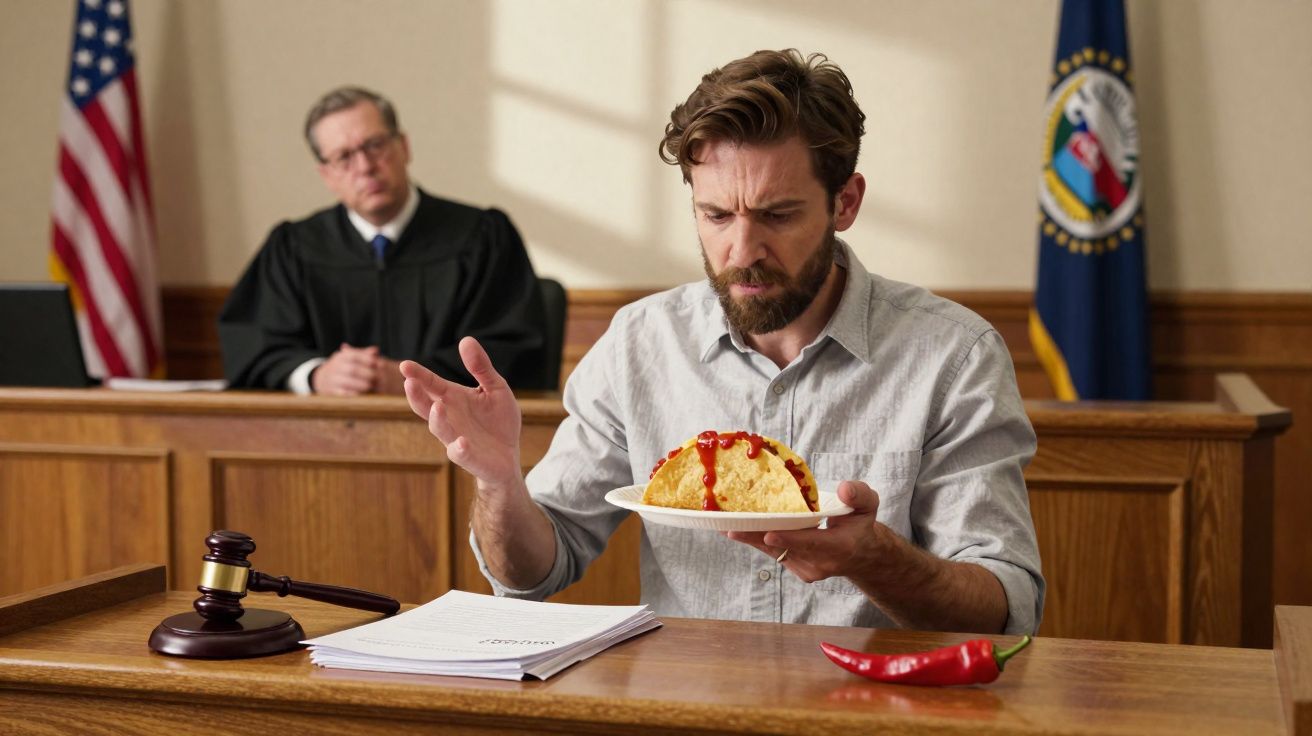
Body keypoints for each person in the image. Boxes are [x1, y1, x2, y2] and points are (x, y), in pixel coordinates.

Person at [400, 50, 1045, 634]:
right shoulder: (639, 344)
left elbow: (1005, 609)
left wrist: (873, 558)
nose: (742, 251)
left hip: (878, 703)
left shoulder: (954, 356)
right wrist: (500, 484)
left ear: (845, 203)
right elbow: (533, 572)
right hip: (688, 703)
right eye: (716, 215)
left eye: (778, 215)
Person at [218, 86, 546, 396]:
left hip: (456, 430)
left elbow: (513, 347)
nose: (365, 167)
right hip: (326, 430)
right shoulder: (293, 248)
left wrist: (413, 379)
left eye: (375, 145)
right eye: (344, 157)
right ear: (327, 175)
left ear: (404, 147)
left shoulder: (482, 237)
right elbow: (252, 347)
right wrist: (316, 375)